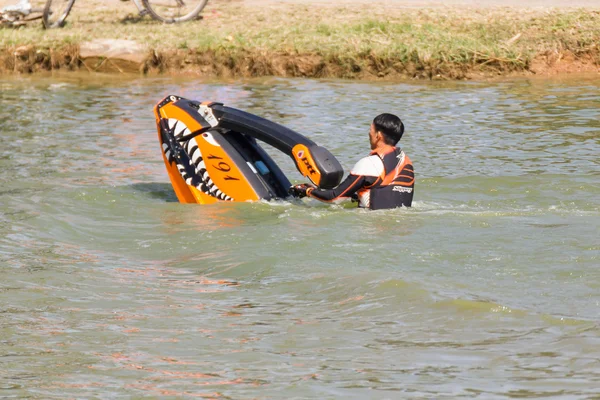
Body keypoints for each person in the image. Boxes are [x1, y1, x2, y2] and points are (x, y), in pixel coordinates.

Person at [289, 113, 414, 210]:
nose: (368, 133)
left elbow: (334, 197)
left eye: (371, 129)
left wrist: (308, 191)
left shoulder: (369, 164)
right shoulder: (406, 162)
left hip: (373, 226)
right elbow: (387, 193)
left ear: (378, 135)